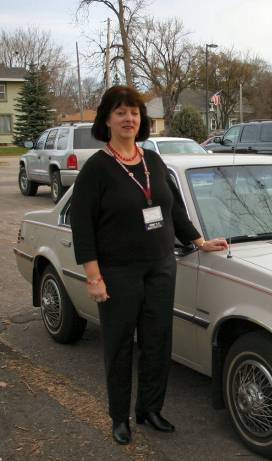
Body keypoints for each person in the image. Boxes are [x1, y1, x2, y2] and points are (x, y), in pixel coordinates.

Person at [71, 85, 228, 445]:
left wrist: (198, 240)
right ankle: (119, 417)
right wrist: (93, 276)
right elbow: (83, 227)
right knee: (120, 345)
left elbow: (173, 210)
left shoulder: (153, 161)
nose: (129, 118)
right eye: (121, 112)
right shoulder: (97, 169)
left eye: (135, 112)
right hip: (117, 272)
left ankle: (150, 409)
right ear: (107, 119)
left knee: (158, 342)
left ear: (141, 120)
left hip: (160, 267)